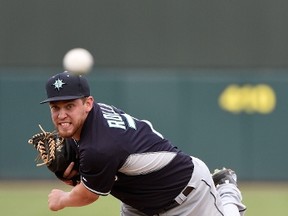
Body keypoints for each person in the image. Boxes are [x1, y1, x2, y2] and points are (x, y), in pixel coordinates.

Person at [40, 71, 246, 216]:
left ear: (88, 104)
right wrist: (82, 171)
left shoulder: (99, 147)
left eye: (69, 106)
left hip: (187, 196)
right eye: (55, 107)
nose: (62, 114)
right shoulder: (96, 118)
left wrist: (62, 199)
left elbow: (88, 195)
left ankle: (226, 190)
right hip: (139, 205)